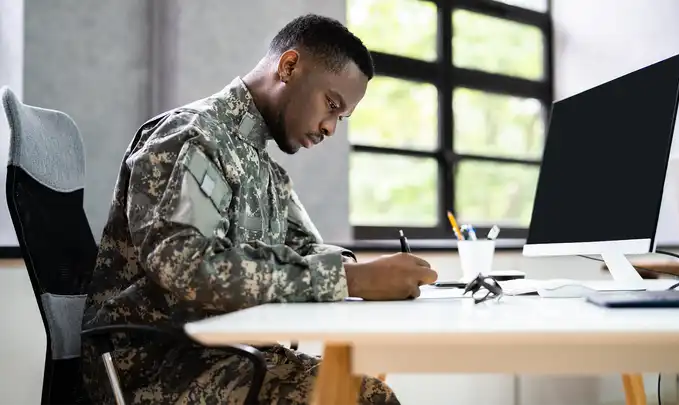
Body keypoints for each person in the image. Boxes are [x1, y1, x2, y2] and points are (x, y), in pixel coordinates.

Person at [81, 13, 438, 405]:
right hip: (158, 371)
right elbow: (185, 266)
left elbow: (308, 250)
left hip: (228, 356)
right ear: (289, 67)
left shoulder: (264, 169)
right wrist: (351, 280)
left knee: (365, 390)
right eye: (331, 105)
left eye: (342, 117)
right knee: (364, 398)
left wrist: (367, 272)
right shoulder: (193, 136)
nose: (331, 128)